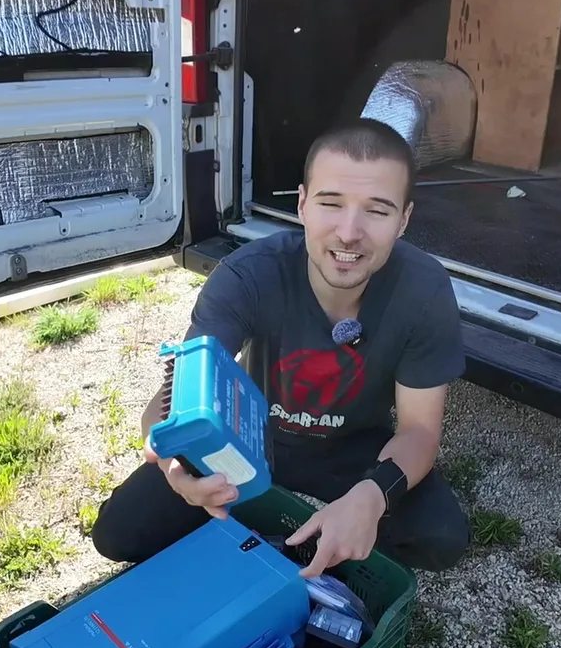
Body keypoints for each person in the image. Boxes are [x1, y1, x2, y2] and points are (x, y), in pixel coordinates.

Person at [90, 117, 472, 576]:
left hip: (353, 448)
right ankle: (258, 517)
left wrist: (372, 498)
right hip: (250, 438)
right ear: (303, 204)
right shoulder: (248, 275)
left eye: (377, 211)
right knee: (117, 533)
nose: (349, 232)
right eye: (331, 203)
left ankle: (327, 525)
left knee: (442, 538)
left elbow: (419, 432)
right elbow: (170, 403)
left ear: (404, 220)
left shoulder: (423, 291)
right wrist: (175, 468)